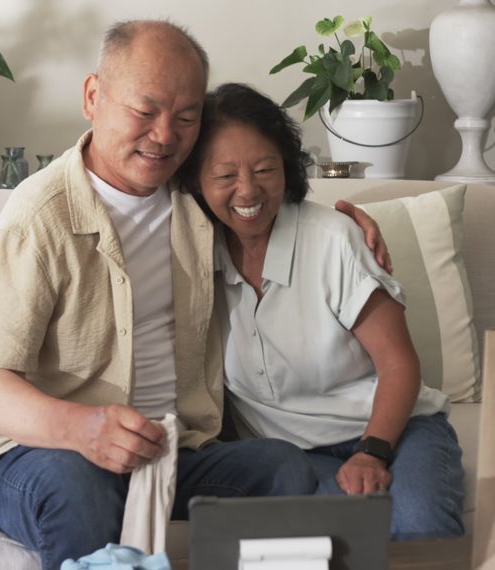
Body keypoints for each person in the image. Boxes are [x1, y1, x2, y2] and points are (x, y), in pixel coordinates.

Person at [0, 21, 388, 569]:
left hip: (175, 450)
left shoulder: (195, 193)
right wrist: (86, 429)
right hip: (41, 453)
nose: (164, 136)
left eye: (186, 117)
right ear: (92, 97)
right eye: (144, 110)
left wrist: (352, 224)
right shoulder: (39, 219)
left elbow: (267, 200)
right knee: (80, 484)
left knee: (283, 469)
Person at [177, 83, 466, 540]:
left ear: (287, 168)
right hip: (291, 454)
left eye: (265, 168)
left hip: (394, 429)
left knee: (418, 527)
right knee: (338, 536)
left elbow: (398, 363)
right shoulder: (191, 254)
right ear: (195, 181)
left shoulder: (334, 238)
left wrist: (372, 452)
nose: (248, 190)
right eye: (225, 175)